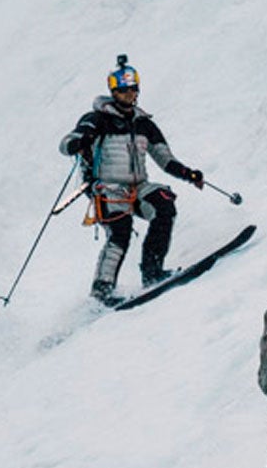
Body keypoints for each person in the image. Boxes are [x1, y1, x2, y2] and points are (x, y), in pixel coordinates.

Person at [59, 55, 207, 301]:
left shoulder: (144, 124)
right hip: (107, 188)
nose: (129, 94)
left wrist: (189, 175)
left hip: (138, 187)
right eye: (124, 90)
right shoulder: (96, 119)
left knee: (164, 206)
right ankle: (102, 290)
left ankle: (152, 272)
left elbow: (165, 159)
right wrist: (79, 141)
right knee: (120, 232)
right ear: (114, 91)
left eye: (133, 89)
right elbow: (65, 145)